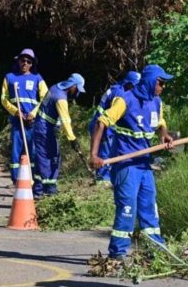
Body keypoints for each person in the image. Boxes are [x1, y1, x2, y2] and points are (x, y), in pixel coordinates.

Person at [90, 64, 175, 260]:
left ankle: (155, 248)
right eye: (161, 83)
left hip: (144, 165)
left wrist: (164, 136)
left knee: (149, 207)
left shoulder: (156, 101)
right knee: (128, 209)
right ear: (150, 81)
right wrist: (94, 155)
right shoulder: (124, 100)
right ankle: (118, 252)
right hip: (125, 164)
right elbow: (101, 122)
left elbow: (160, 122)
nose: (163, 87)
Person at [32, 73, 86, 198]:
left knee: (43, 158)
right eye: (77, 89)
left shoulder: (55, 87)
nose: (77, 92)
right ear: (72, 86)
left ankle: (39, 189)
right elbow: (65, 120)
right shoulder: (61, 98)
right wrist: (72, 139)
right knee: (50, 158)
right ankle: (49, 189)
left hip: (42, 126)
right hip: (45, 129)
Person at [0, 48, 48, 184]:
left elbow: (45, 98)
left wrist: (33, 113)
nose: (25, 63)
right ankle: (16, 181)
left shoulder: (37, 78)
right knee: (16, 152)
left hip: (32, 122)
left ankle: (30, 181)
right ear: (18, 61)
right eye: (23, 60)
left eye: (28, 61)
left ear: (32, 64)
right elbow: (4, 99)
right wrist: (16, 112)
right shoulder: (9, 77)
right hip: (17, 121)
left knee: (32, 152)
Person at [87, 71, 141, 185]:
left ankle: (103, 176)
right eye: (134, 86)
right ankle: (103, 180)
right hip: (103, 126)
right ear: (129, 83)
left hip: (98, 123)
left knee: (105, 149)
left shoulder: (116, 88)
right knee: (105, 151)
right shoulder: (120, 94)